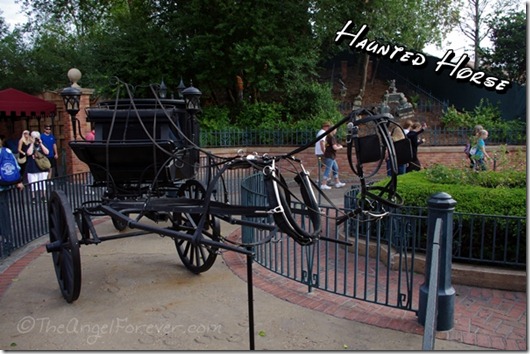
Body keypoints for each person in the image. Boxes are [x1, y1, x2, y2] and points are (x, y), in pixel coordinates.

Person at [26, 131, 49, 204]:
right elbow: (29, 153)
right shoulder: (29, 145)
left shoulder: (41, 144)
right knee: (33, 184)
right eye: (34, 137)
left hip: (42, 168)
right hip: (32, 168)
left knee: (43, 184)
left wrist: (41, 143)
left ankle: (43, 197)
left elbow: (47, 152)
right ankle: (33, 197)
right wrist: (32, 143)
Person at [315, 121, 330, 186]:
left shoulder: (320, 132)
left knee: (320, 166)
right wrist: (324, 152)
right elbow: (322, 143)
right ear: (325, 127)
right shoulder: (323, 133)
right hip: (321, 152)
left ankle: (318, 179)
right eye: (328, 127)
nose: (329, 128)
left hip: (318, 152)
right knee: (329, 165)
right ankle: (326, 180)